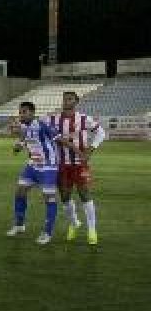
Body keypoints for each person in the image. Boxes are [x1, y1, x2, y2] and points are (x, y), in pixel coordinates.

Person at [51, 91, 106, 244]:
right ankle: (74, 223)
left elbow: (101, 133)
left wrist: (90, 150)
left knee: (84, 194)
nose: (66, 101)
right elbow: (45, 132)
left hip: (80, 164)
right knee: (65, 197)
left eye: (70, 99)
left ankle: (92, 230)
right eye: (64, 99)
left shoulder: (84, 119)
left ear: (76, 102)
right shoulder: (54, 119)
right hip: (62, 164)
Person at [6, 101, 61, 244]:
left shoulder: (42, 125)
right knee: (19, 192)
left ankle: (47, 233)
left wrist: (78, 153)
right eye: (20, 112)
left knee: (49, 198)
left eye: (24, 112)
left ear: (32, 112)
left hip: (48, 166)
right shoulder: (23, 127)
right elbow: (22, 142)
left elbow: (59, 139)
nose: (21, 114)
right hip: (33, 165)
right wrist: (18, 146)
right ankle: (19, 225)